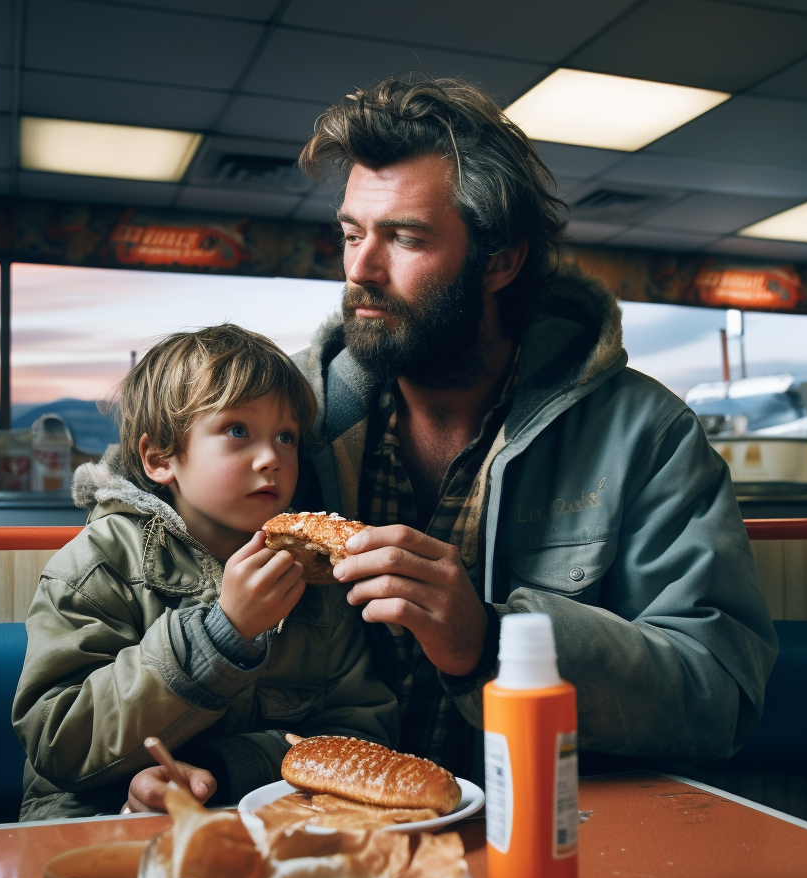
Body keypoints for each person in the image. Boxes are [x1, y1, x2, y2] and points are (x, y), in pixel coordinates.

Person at [290, 77, 778, 780]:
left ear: (501, 261)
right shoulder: (282, 419)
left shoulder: (646, 433)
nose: (361, 268)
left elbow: (720, 695)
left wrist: (489, 642)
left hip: (557, 838)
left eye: (405, 238)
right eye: (352, 233)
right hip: (321, 837)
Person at [12, 326, 398, 820]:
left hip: (263, 819)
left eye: (287, 437)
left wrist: (226, 766)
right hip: (93, 820)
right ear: (159, 458)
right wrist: (222, 635)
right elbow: (59, 739)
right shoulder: (96, 566)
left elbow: (361, 735)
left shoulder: (315, 578)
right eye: (238, 431)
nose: (272, 459)